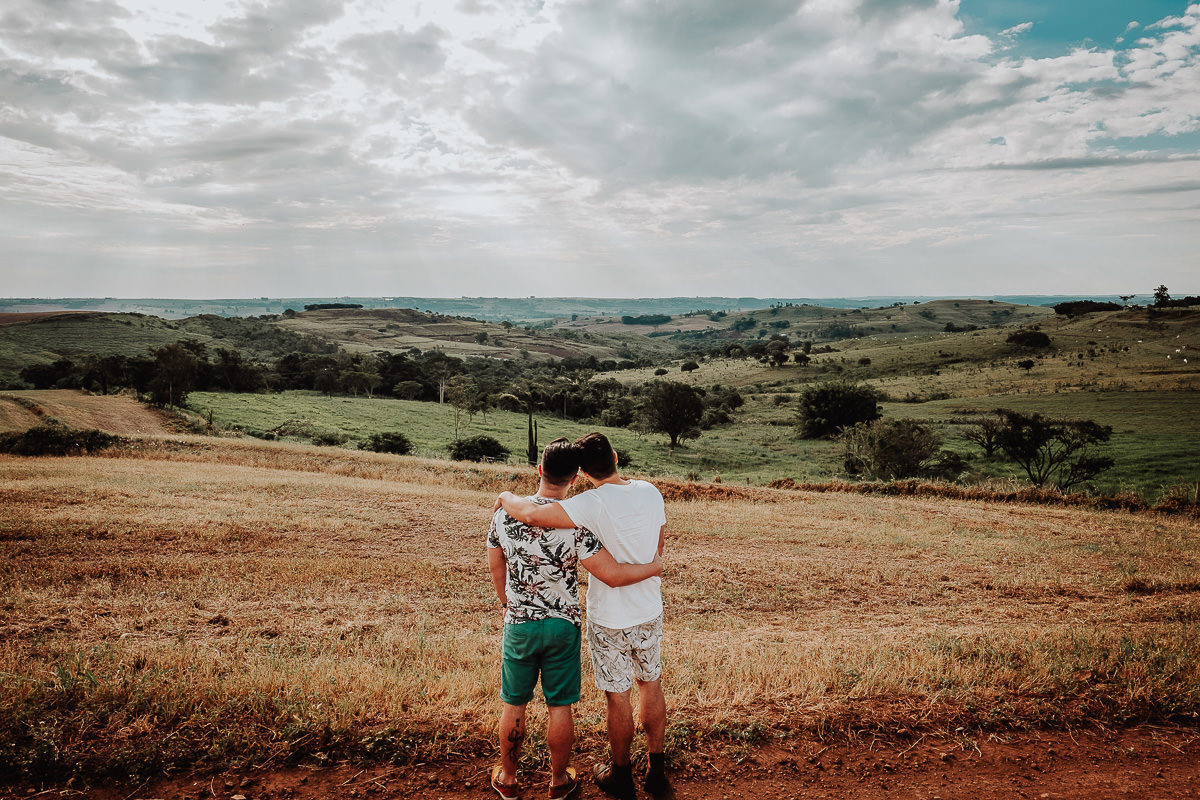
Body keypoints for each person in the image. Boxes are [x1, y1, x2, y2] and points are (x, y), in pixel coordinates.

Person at [496, 432, 670, 800]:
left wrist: (504, 497)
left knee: (613, 696)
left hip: (592, 618)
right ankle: (649, 770)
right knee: (648, 684)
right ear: (616, 457)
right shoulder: (648, 492)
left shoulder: (582, 506)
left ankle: (617, 774)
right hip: (640, 610)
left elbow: (522, 522)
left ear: (582, 474)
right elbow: (655, 545)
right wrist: (654, 568)